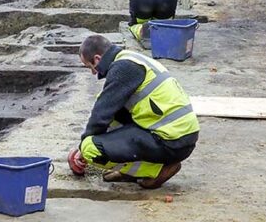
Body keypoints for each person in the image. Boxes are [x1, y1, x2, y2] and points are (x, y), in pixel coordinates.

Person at [67, 34, 199, 189]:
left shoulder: (123, 69)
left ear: (97, 59)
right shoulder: (131, 58)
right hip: (180, 136)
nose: (93, 73)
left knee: (91, 148)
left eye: (90, 67)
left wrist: (82, 147)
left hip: (171, 142)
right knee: (111, 118)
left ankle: (156, 171)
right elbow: (108, 113)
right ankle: (134, 171)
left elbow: (101, 114)